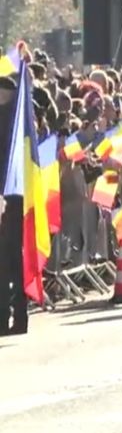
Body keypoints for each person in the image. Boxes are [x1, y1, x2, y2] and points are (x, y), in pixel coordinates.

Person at [0, 76, 26, 335]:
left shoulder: (7, 121)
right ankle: (19, 316)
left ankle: (4, 318)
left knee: (6, 260)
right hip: (18, 197)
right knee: (15, 259)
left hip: (6, 198)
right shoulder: (21, 122)